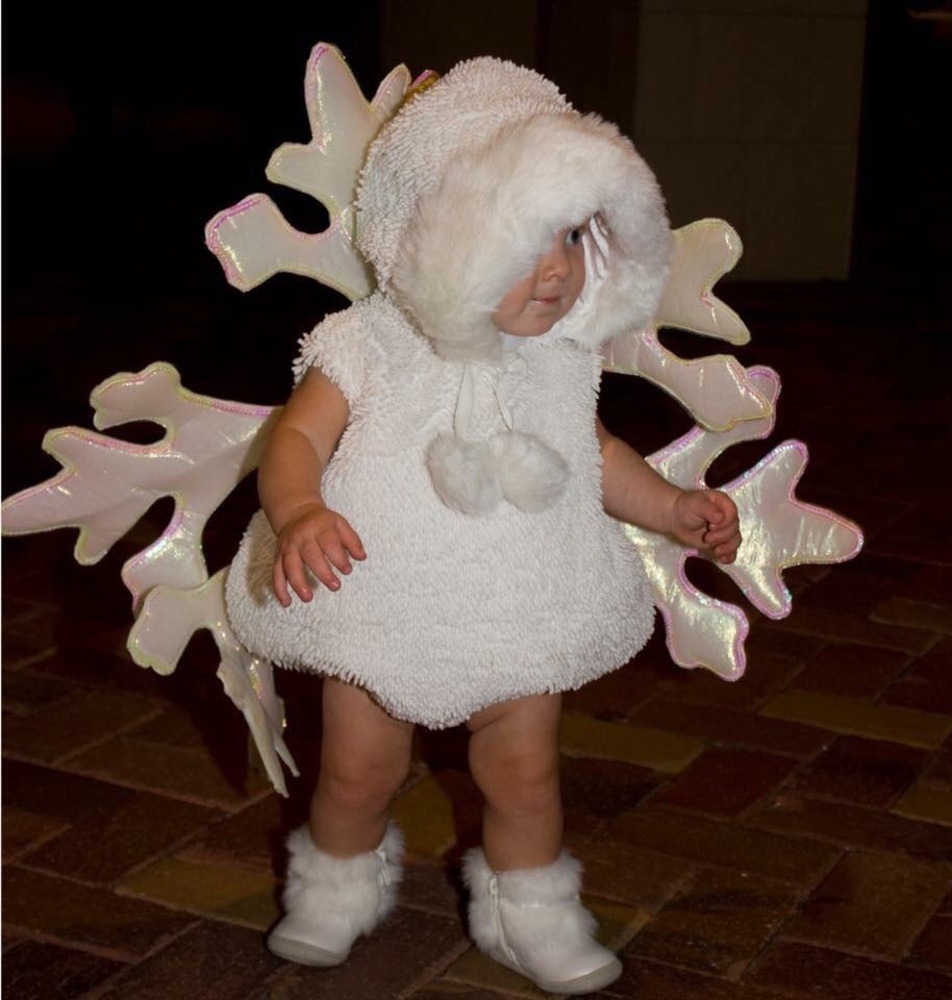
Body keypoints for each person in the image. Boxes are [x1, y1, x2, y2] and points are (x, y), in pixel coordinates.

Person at [223, 56, 740, 996]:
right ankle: (337, 881)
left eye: (571, 236)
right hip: (381, 608)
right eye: (518, 240)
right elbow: (295, 437)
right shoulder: (368, 344)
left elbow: (596, 455)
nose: (555, 270)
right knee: (354, 775)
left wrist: (669, 507)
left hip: (516, 611)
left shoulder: (562, 357)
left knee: (525, 777)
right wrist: (299, 509)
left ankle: (528, 911)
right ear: (427, 234)